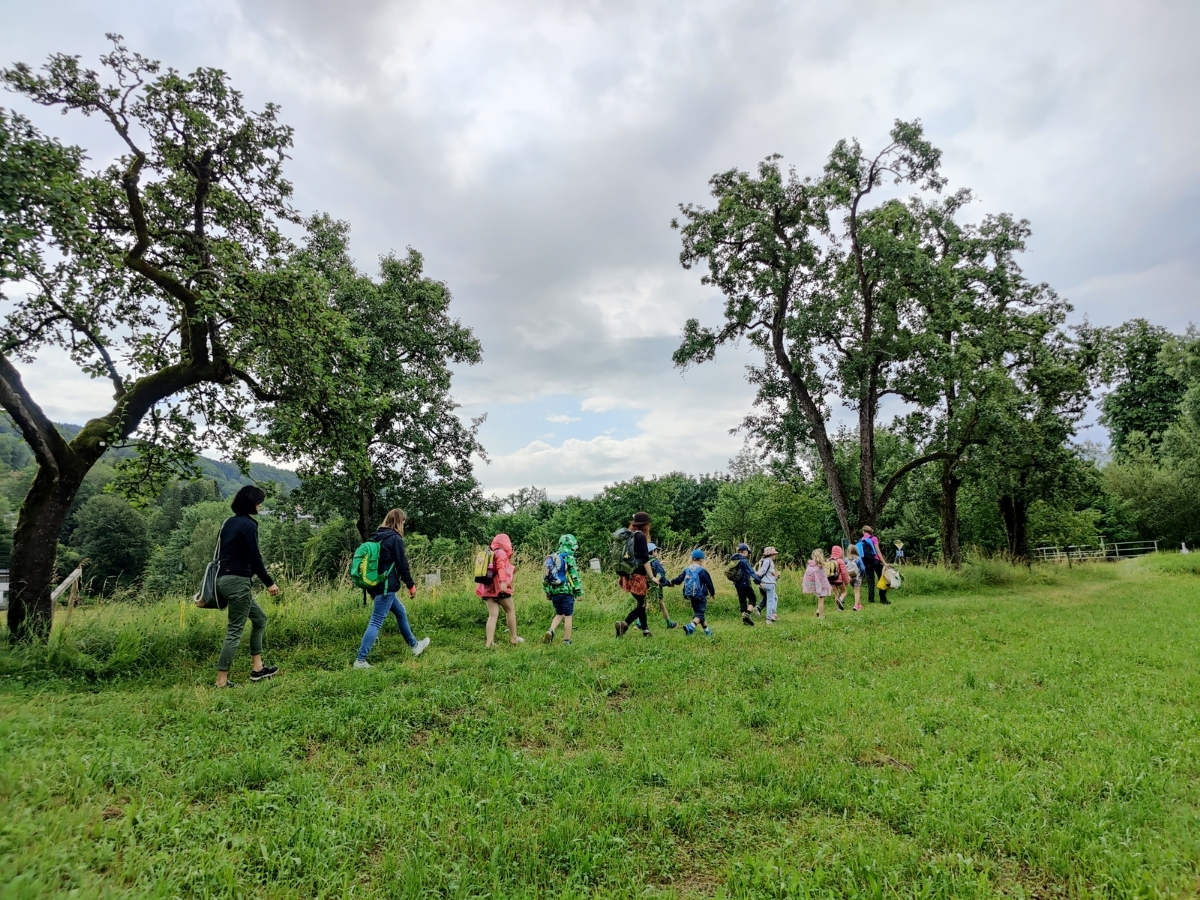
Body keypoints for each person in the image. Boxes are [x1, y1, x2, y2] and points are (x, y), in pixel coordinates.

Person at [213, 485, 280, 688]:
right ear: (251, 502)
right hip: (238, 581)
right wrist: (269, 582)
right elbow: (254, 557)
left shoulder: (229, 523)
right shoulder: (249, 525)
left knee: (260, 619)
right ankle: (221, 681)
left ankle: (258, 669)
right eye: (259, 501)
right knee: (234, 630)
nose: (261, 504)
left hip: (223, 579)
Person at [353, 508, 429, 669]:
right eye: (403, 523)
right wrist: (411, 586)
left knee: (400, 612)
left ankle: (415, 646)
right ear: (399, 522)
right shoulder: (395, 539)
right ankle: (360, 659)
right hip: (386, 586)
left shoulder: (376, 536)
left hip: (377, 585)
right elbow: (402, 565)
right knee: (376, 621)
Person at [477, 533, 522, 646]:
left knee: (492, 615)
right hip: (499, 587)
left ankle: (489, 643)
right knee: (510, 610)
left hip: (487, 588)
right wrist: (503, 581)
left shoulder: (490, 553)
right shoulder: (501, 553)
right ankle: (514, 638)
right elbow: (501, 567)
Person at [615, 511, 655, 637]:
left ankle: (645, 630)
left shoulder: (630, 535)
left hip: (628, 573)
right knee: (642, 603)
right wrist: (652, 576)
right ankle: (624, 624)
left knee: (641, 602)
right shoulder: (641, 536)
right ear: (645, 525)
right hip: (638, 575)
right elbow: (644, 558)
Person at [543, 533, 583, 645]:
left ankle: (551, 630)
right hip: (567, 592)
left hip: (554, 592)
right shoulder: (569, 558)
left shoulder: (553, 557)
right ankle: (567, 640)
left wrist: (547, 592)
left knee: (559, 613)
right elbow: (575, 576)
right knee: (568, 616)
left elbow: (545, 577)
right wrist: (579, 592)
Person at [671, 549, 716, 636]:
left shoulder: (687, 569)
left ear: (692, 559)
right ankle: (691, 626)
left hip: (690, 595)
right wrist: (712, 593)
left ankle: (707, 631)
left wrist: (672, 582)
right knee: (700, 613)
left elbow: (679, 579)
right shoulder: (702, 571)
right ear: (701, 560)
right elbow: (709, 583)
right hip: (700, 595)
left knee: (699, 614)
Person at [728, 542, 763, 626]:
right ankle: (747, 614)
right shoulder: (743, 561)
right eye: (747, 552)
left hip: (737, 584)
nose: (748, 554)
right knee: (753, 599)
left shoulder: (734, 559)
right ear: (744, 551)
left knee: (742, 600)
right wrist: (759, 581)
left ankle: (744, 618)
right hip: (745, 583)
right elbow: (751, 572)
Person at [647, 543, 678, 629]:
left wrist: (659, 563)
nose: (657, 552)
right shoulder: (655, 562)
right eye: (656, 550)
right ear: (653, 552)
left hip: (646, 586)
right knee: (661, 604)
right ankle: (669, 624)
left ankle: (638, 624)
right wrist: (669, 583)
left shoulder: (645, 561)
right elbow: (661, 577)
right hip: (656, 587)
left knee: (647, 603)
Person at [856, 527, 885, 604]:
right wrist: (884, 563)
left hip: (866, 562)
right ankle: (883, 599)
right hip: (875, 561)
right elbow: (878, 551)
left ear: (863, 531)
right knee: (881, 579)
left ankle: (871, 600)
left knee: (870, 581)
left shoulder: (861, 540)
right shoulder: (874, 538)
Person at [802, 548, 832, 618]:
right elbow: (824, 576)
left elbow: (808, 575)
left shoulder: (810, 565)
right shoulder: (820, 566)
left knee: (820, 599)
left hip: (816, 585)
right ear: (821, 555)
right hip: (821, 586)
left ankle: (818, 611)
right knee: (821, 600)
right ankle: (821, 616)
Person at [755, 546, 780, 623]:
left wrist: (776, 576)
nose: (775, 556)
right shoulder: (768, 561)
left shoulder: (767, 561)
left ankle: (772, 614)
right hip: (768, 584)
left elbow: (769, 575)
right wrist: (753, 574)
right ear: (771, 554)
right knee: (770, 601)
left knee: (775, 598)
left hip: (767, 583)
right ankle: (769, 618)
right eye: (774, 554)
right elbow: (761, 572)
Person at [829, 545, 850, 611]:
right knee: (844, 592)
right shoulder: (840, 561)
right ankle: (840, 600)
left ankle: (838, 608)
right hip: (839, 580)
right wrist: (847, 582)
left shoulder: (829, 560)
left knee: (836, 593)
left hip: (831, 580)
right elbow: (844, 573)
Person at [846, 543, 865, 611]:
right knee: (857, 591)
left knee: (856, 591)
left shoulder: (846, 560)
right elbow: (862, 568)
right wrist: (861, 575)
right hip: (857, 577)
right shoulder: (858, 559)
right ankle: (856, 606)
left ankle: (859, 605)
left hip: (850, 577)